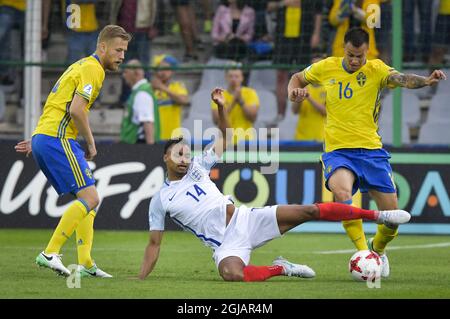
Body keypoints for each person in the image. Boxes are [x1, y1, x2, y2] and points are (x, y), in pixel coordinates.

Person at [137, 87, 411, 282]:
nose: (184, 159)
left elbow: (226, 134)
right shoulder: (161, 200)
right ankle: (283, 268)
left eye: (186, 153)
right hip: (225, 245)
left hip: (248, 219)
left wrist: (221, 107)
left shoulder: (200, 165)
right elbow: (153, 244)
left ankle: (379, 215)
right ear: (165, 157)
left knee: (309, 211)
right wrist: (139, 279)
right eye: (178, 154)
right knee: (232, 275)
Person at [287, 27, 446, 278]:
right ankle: (364, 253)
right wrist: (293, 94)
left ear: (367, 52)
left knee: (392, 219)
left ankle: (377, 248)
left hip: (371, 151)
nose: (354, 60)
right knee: (341, 193)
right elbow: (297, 78)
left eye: (359, 56)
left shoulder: (376, 69)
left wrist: (426, 81)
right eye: (350, 54)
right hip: (338, 150)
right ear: (343, 48)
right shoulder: (325, 67)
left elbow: (402, 79)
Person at [14, 25, 132, 278]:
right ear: (102, 47)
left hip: (47, 136)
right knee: (91, 198)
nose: (122, 56)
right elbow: (76, 110)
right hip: (58, 139)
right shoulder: (93, 69)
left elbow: (58, 103)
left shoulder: (80, 65)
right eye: (118, 50)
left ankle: (86, 263)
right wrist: (91, 142)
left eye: (124, 51)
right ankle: (50, 253)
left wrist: (37, 138)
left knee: (89, 198)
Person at [268, 0, 323, 124]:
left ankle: (298, 112)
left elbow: (318, 11)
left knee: (304, 75)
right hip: (282, 36)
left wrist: (316, 33)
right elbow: (269, 6)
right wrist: (282, 4)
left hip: (305, 35)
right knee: (281, 75)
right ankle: (280, 115)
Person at [210, 66, 259, 144]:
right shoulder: (219, 95)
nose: (233, 79)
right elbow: (216, 120)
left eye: (236, 76)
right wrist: (233, 101)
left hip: (246, 141)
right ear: (226, 77)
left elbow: (252, 117)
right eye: (231, 76)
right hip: (225, 142)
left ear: (242, 78)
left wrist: (241, 101)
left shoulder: (251, 93)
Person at [120, 59, 160, 144]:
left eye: (126, 72)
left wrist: (150, 151)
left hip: (139, 145)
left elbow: (147, 123)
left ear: (136, 73)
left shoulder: (142, 93)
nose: (123, 75)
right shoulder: (138, 91)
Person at [151, 54, 189, 140]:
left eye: (166, 69)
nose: (163, 72)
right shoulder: (150, 89)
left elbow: (184, 100)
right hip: (155, 137)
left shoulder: (178, 86)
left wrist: (162, 87)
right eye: (160, 69)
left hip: (174, 137)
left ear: (172, 71)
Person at [292, 53, 327, 142]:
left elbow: (325, 112)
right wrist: (298, 100)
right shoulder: (303, 87)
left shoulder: (330, 88)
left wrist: (308, 97)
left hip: (321, 138)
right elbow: (294, 111)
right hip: (301, 138)